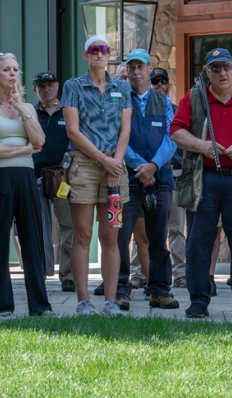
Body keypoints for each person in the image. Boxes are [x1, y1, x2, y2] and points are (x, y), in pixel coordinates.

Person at [170, 47, 232, 319]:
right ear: (208, 72)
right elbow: (175, 131)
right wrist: (202, 146)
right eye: (215, 68)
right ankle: (199, 301)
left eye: (226, 67)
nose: (222, 73)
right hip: (205, 180)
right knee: (199, 243)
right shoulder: (194, 98)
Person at [0, 52, 53, 319]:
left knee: (33, 240)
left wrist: (22, 110)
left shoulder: (29, 108)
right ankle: (2, 307)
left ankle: (40, 306)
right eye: (6, 70)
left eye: (16, 69)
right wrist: (24, 150)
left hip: (25, 178)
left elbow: (39, 141)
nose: (13, 74)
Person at [61, 36, 132, 315]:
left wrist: (115, 163)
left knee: (112, 236)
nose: (100, 54)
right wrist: (104, 160)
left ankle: (111, 301)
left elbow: (125, 130)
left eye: (104, 50)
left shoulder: (122, 87)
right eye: (94, 50)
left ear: (109, 55)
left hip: (115, 170)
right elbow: (73, 131)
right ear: (86, 55)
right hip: (83, 168)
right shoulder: (73, 86)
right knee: (83, 234)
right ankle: (83, 301)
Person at [115, 49, 179, 311]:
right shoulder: (119, 98)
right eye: (131, 67)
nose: (136, 71)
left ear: (150, 69)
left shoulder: (162, 101)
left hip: (160, 180)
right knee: (120, 237)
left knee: (158, 237)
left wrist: (153, 166)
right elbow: (118, 136)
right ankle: (119, 290)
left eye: (140, 66)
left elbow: (171, 136)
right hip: (126, 181)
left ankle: (160, 291)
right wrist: (139, 165)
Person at [31, 71, 75, 291]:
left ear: (58, 86)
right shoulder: (29, 113)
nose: (46, 89)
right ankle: (40, 272)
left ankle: (67, 275)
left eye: (50, 85)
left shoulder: (68, 111)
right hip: (35, 176)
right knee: (38, 227)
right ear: (35, 91)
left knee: (68, 226)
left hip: (63, 177)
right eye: (42, 86)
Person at [151, 67, 185, 287]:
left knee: (175, 228)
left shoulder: (178, 111)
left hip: (174, 174)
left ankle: (181, 273)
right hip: (149, 175)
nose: (159, 85)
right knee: (147, 229)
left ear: (169, 85)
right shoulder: (144, 111)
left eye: (163, 82)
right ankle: (138, 273)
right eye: (155, 82)